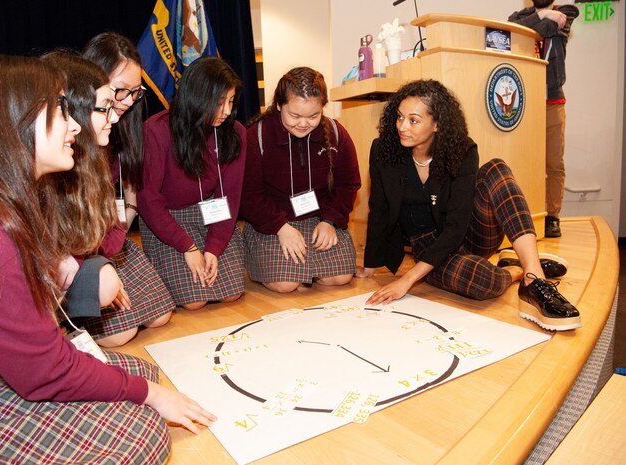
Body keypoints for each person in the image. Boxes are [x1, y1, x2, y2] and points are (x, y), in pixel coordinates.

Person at [0, 54, 214, 464]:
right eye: (60, 110)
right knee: (142, 433)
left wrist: (142, 389)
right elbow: (42, 370)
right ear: (12, 122)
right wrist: (151, 396)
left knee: (141, 375)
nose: (75, 125)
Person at [357, 79, 580, 331]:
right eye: (399, 117)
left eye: (413, 120)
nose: (402, 127)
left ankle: (534, 276)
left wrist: (407, 281)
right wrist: (370, 263)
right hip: (427, 244)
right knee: (483, 283)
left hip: (468, 231)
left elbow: (456, 227)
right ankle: (515, 269)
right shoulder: (383, 150)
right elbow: (379, 207)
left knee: (496, 169)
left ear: (437, 123)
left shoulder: (461, 150)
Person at [41, 51, 174, 348]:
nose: (118, 110)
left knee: (159, 314)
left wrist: (99, 255)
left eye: (134, 92)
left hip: (100, 248)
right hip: (74, 259)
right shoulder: (52, 163)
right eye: (108, 104)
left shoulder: (94, 153)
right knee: (118, 325)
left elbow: (108, 227)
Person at [138, 56, 246, 310]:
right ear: (196, 97)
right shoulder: (157, 130)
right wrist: (187, 247)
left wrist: (214, 248)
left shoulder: (235, 133)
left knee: (230, 293)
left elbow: (228, 196)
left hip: (212, 216)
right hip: (169, 220)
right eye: (219, 103)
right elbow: (149, 200)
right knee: (194, 301)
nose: (227, 111)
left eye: (231, 102)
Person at [240, 67, 361, 293]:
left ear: (323, 108)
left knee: (341, 277)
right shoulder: (256, 137)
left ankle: (307, 268)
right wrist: (280, 227)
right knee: (285, 285)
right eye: (294, 115)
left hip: (319, 219)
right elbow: (249, 196)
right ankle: (287, 267)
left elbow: (349, 184)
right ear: (278, 105)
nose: (303, 123)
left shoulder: (336, 133)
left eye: (313, 116)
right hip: (273, 223)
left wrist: (330, 221)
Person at [508, 1, 580, 238]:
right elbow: (512, 30)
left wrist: (542, 18)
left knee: (553, 163)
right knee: (523, 161)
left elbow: (544, 30)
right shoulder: (516, 16)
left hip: (552, 102)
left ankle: (552, 217)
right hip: (525, 102)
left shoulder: (567, 12)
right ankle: (525, 215)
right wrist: (544, 14)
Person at [83, 32, 147, 231]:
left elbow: (130, 166)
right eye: (121, 89)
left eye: (136, 91)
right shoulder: (73, 130)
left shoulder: (123, 120)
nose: (129, 101)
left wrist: (130, 210)